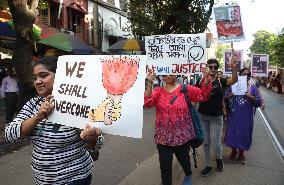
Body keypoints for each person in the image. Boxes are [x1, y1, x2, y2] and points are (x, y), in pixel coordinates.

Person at [5, 56, 103, 185]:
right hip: (43, 180)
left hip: (75, 178)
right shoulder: (33, 104)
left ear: (60, 77)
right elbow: (9, 134)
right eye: (35, 78)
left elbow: (97, 142)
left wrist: (90, 138)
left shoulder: (76, 105)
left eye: (43, 76)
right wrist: (37, 118)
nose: (37, 82)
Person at [144, 68, 212, 185]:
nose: (168, 76)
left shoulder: (186, 89)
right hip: (163, 138)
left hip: (182, 137)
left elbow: (203, 96)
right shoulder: (158, 91)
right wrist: (149, 83)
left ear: (176, 73)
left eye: (171, 72)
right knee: (165, 167)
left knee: (185, 161)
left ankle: (188, 174)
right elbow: (147, 103)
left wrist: (206, 79)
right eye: (165, 73)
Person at [198, 57, 238, 177]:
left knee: (215, 143)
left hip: (216, 117)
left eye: (216, 67)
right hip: (203, 116)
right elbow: (194, 95)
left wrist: (234, 69)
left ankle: (219, 160)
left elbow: (234, 80)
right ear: (207, 67)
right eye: (211, 67)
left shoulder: (221, 81)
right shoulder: (200, 81)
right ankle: (208, 165)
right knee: (205, 142)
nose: (214, 69)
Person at [224, 68, 262, 164]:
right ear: (239, 75)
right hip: (234, 115)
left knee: (244, 134)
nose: (246, 76)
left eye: (248, 74)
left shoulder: (253, 88)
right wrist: (229, 96)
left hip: (246, 116)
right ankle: (233, 151)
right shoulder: (233, 86)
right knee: (232, 133)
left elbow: (258, 102)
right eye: (244, 74)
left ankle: (241, 153)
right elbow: (224, 97)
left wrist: (251, 97)